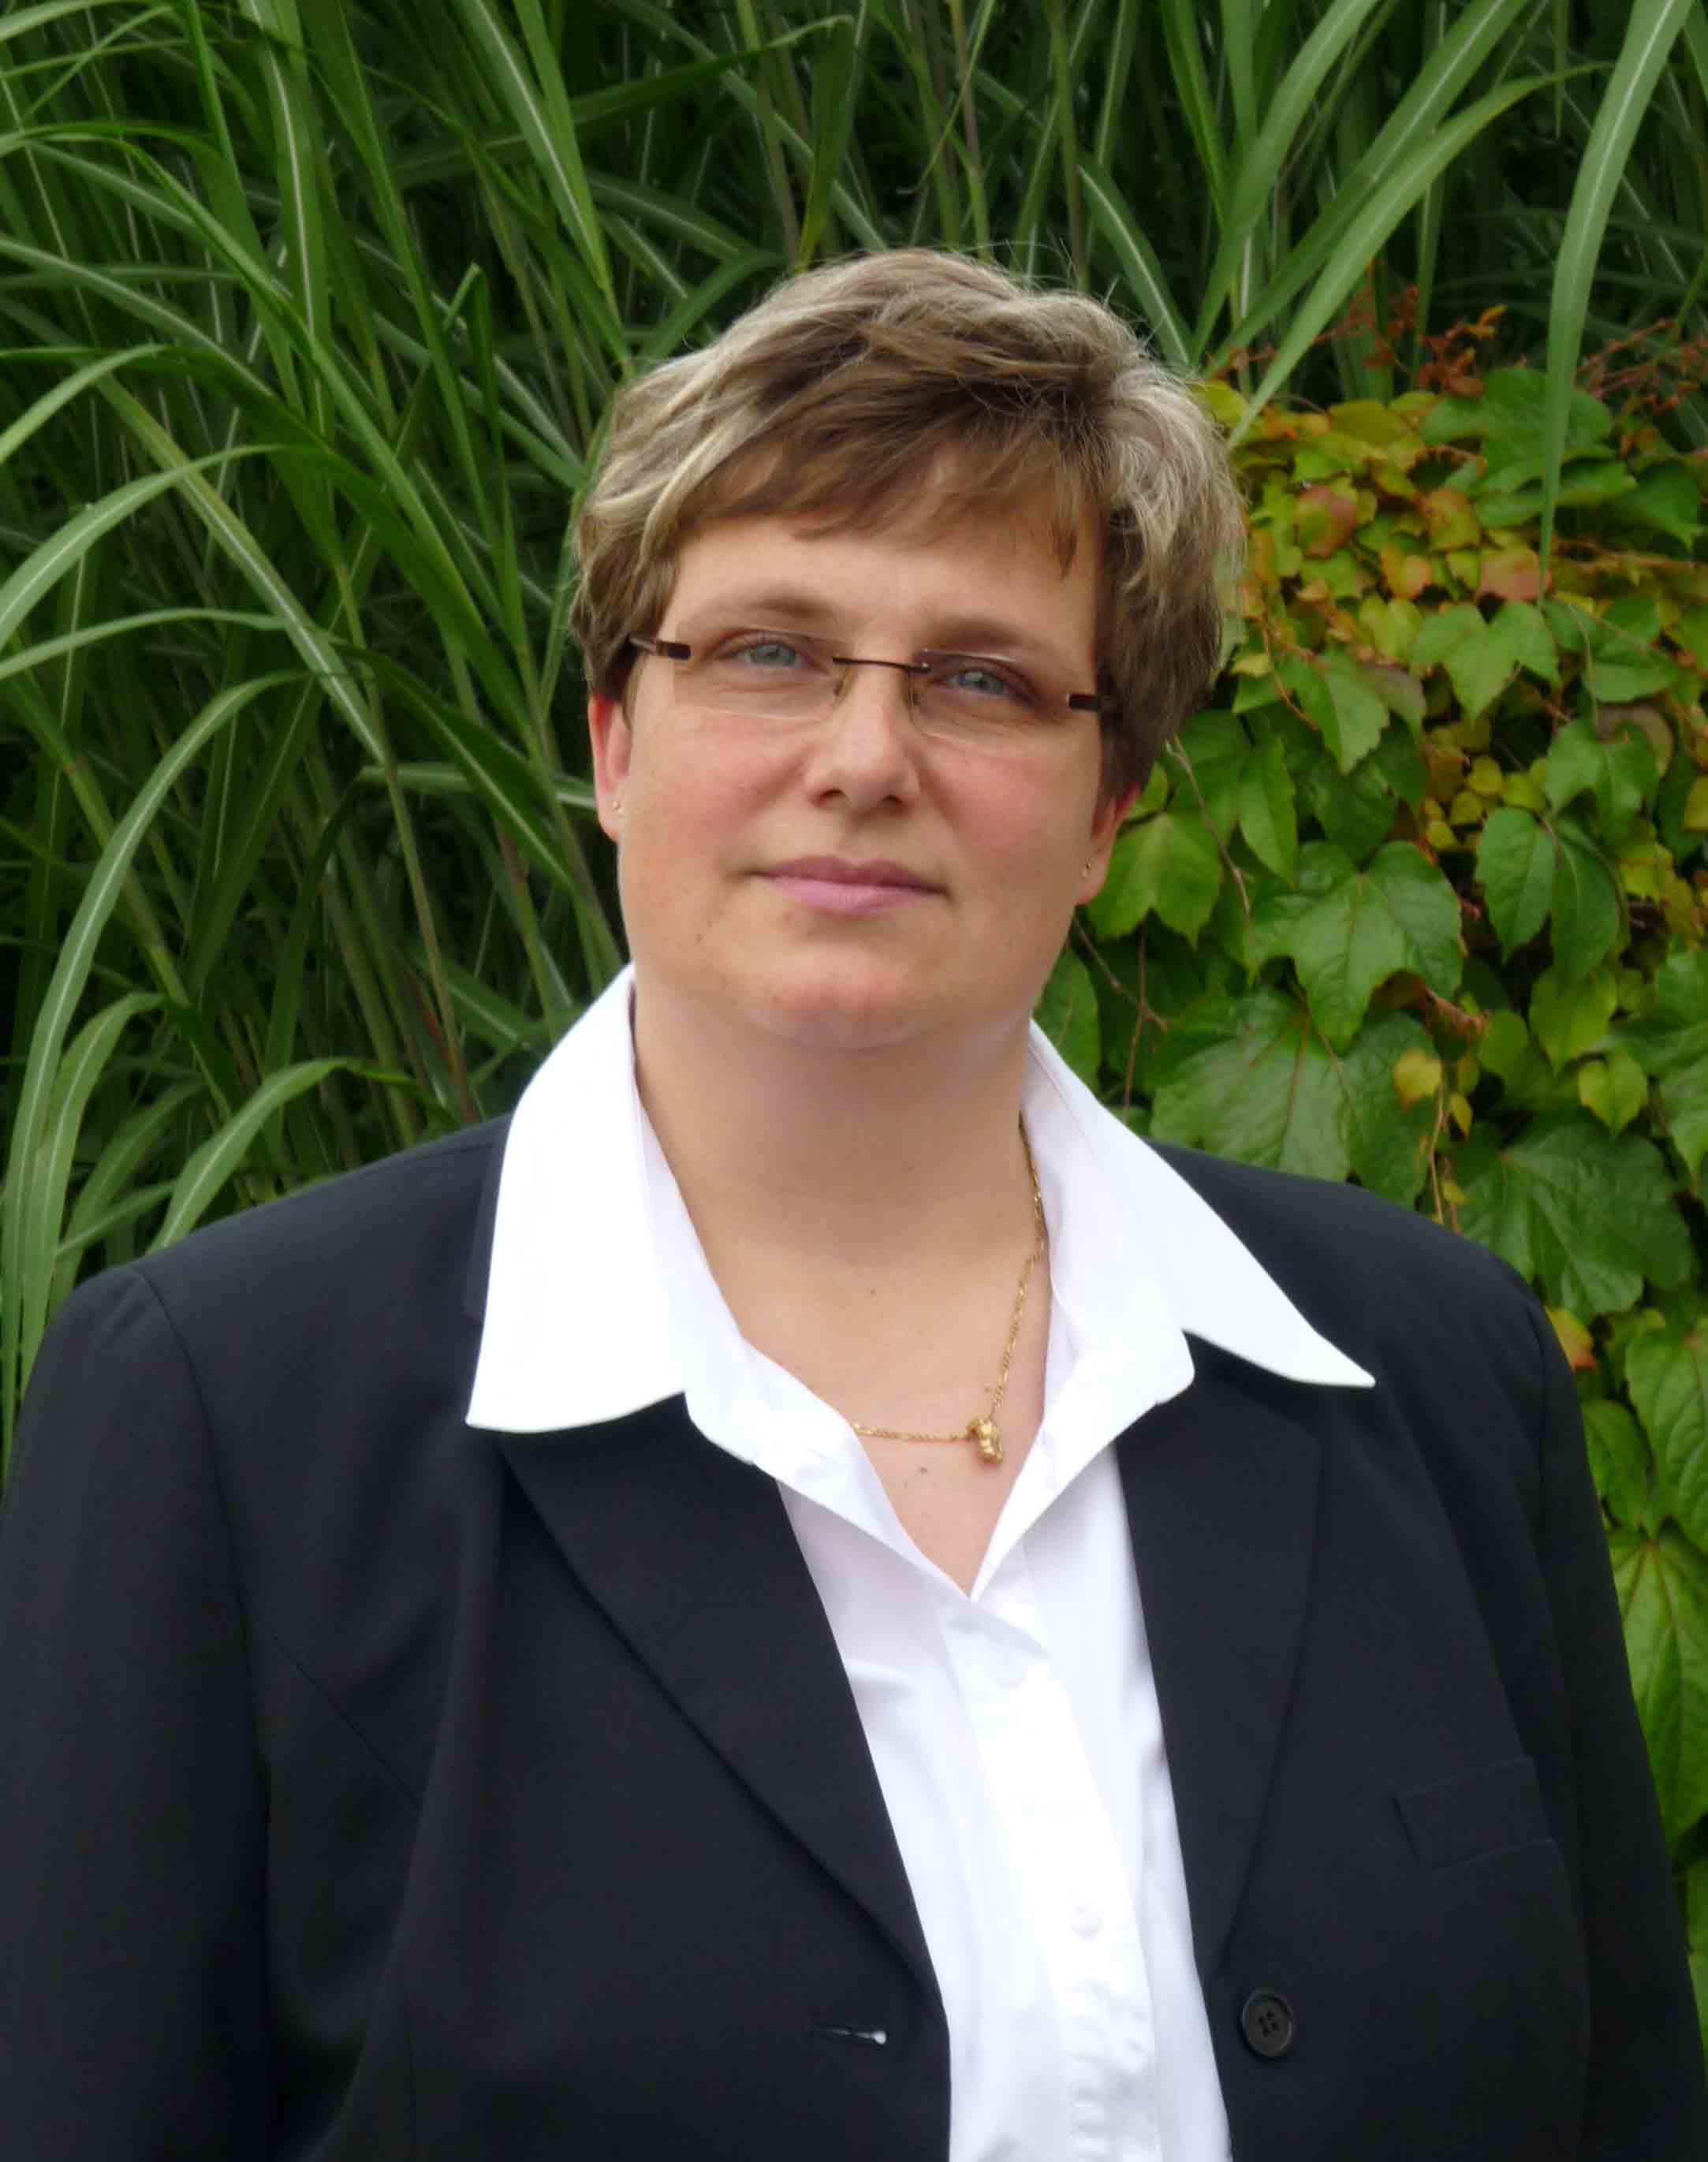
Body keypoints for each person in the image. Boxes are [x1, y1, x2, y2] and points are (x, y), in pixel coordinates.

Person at [0, 250, 1701, 2162]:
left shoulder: (1436, 1373)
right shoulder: (223, 1422)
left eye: (981, 680)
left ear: (1108, 807)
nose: (866, 760)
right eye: (768, 651)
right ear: (615, 742)